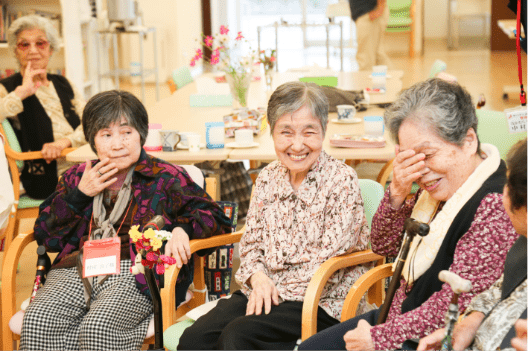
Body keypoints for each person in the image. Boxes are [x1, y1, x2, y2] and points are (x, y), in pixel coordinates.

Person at [299, 78, 519, 350]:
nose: (421, 170)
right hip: (394, 316)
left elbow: (456, 303)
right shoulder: (434, 191)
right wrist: (398, 192)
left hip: (425, 338)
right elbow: (383, 244)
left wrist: (381, 338)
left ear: (469, 140)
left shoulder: (495, 204)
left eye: (428, 154)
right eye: (409, 158)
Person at [20, 90, 232, 351]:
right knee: (38, 319)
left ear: (141, 134)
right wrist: (79, 195)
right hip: (76, 268)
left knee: (98, 327)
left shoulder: (164, 176)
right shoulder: (78, 176)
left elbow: (217, 218)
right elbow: (44, 235)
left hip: (138, 271)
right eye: (106, 135)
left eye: (126, 132)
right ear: (93, 140)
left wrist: (183, 228)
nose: (117, 144)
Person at [177, 81, 371, 350]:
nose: (297, 144)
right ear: (272, 132)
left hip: (320, 301)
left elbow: (328, 263)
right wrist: (258, 278)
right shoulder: (268, 177)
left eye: (309, 132)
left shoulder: (341, 180)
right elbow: (252, 243)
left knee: (237, 337)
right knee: (194, 339)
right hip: (264, 289)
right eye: (286, 132)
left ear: (324, 131)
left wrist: (272, 287)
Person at [418, 140, 527, 351]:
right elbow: (498, 291)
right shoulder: (523, 242)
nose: (503, 195)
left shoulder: (492, 210)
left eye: (509, 188)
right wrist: (467, 325)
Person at [0, 15, 86, 199]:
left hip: (81, 159)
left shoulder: (63, 83)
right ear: (15, 51)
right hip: (48, 174)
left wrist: (65, 142)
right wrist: (21, 92)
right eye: (24, 44)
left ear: (51, 49)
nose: (33, 50)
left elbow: (92, 121)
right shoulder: (7, 87)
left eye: (40, 43)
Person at [348, 0, 391, 71]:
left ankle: (365, 81)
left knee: (366, 58)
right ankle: (390, 80)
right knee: (378, 55)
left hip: (370, 13)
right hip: (367, 13)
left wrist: (380, 9)